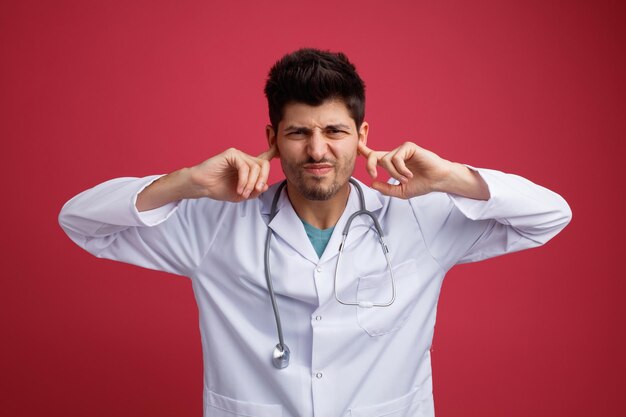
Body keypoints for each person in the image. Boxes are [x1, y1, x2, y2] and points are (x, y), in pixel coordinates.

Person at [59, 48, 571, 417]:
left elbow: (550, 215)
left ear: (363, 137)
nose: (318, 151)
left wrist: (452, 177)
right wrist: (186, 181)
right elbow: (82, 222)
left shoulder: (419, 217)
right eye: (299, 132)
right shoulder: (215, 222)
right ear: (272, 139)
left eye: (334, 131)